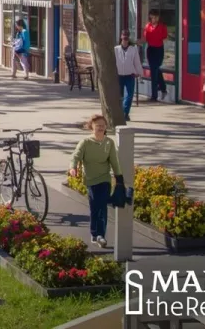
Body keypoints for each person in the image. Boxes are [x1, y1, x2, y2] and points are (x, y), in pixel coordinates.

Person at [68, 113, 123, 249]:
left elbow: (114, 161)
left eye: (103, 126)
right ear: (92, 127)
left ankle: (100, 235)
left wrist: (119, 177)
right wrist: (73, 168)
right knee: (95, 207)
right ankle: (94, 233)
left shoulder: (109, 142)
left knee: (102, 206)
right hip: (91, 179)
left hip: (104, 179)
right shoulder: (85, 142)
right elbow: (75, 156)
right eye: (98, 126)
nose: (101, 128)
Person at [114, 30, 144, 122]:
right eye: (124, 37)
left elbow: (137, 62)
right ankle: (118, 112)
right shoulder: (116, 49)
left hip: (130, 75)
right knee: (118, 95)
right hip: (119, 75)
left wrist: (139, 73)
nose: (125, 39)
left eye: (127, 37)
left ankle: (125, 113)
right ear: (121, 37)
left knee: (129, 95)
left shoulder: (133, 49)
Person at [143, 10, 168, 101]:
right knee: (155, 69)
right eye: (152, 17)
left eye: (155, 17)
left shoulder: (162, 26)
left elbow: (165, 37)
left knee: (154, 71)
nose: (154, 19)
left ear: (158, 17)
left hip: (159, 49)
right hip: (150, 50)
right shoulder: (147, 26)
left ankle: (154, 96)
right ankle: (163, 88)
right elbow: (145, 38)